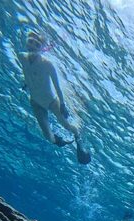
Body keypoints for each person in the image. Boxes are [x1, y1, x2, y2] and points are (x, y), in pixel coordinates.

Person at [17, 31, 90, 164]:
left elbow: (57, 87)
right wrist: (26, 84)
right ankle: (59, 141)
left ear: (42, 48)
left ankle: (79, 141)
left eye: (37, 44)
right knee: (48, 137)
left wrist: (62, 104)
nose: (33, 46)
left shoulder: (48, 64)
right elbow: (27, 72)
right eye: (31, 42)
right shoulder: (21, 56)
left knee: (68, 126)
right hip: (35, 102)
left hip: (51, 101)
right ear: (26, 42)